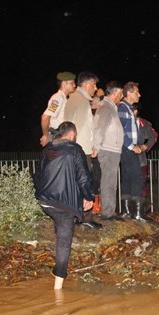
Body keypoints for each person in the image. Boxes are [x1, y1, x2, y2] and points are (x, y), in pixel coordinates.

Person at [33, 121, 94, 290]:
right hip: (64, 203)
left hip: (45, 200)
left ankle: (57, 271)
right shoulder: (75, 150)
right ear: (72, 135)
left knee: (59, 224)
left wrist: (41, 193)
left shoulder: (48, 150)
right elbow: (83, 176)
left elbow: (38, 175)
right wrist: (88, 196)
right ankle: (58, 284)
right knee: (64, 241)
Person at [64, 71, 102, 229]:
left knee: (76, 182)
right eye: (93, 84)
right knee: (84, 182)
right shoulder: (80, 101)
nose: (95, 88)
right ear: (86, 84)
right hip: (81, 150)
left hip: (79, 148)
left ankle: (76, 216)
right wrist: (83, 148)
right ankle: (85, 218)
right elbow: (77, 129)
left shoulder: (76, 99)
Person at [92, 81, 124, 220]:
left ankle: (109, 211)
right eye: (121, 93)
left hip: (113, 149)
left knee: (111, 181)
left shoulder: (111, 107)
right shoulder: (106, 106)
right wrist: (96, 146)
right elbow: (100, 128)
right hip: (108, 149)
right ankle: (107, 213)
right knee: (108, 181)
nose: (122, 96)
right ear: (115, 92)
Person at [118, 81, 149, 221]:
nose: (139, 94)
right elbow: (120, 131)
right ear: (129, 93)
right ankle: (137, 213)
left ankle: (127, 212)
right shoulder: (123, 109)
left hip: (126, 148)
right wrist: (132, 146)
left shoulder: (127, 108)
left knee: (128, 178)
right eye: (137, 92)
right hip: (127, 149)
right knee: (137, 178)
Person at [39, 72, 77, 147]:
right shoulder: (57, 98)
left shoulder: (63, 98)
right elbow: (45, 117)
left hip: (61, 138)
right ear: (63, 84)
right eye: (72, 83)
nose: (74, 85)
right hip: (57, 138)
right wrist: (45, 135)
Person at [132, 102, 158, 201]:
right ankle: (129, 211)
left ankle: (140, 210)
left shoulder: (144, 123)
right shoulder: (121, 122)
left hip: (140, 160)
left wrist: (145, 146)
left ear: (135, 111)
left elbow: (153, 136)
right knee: (129, 184)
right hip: (126, 158)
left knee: (141, 184)